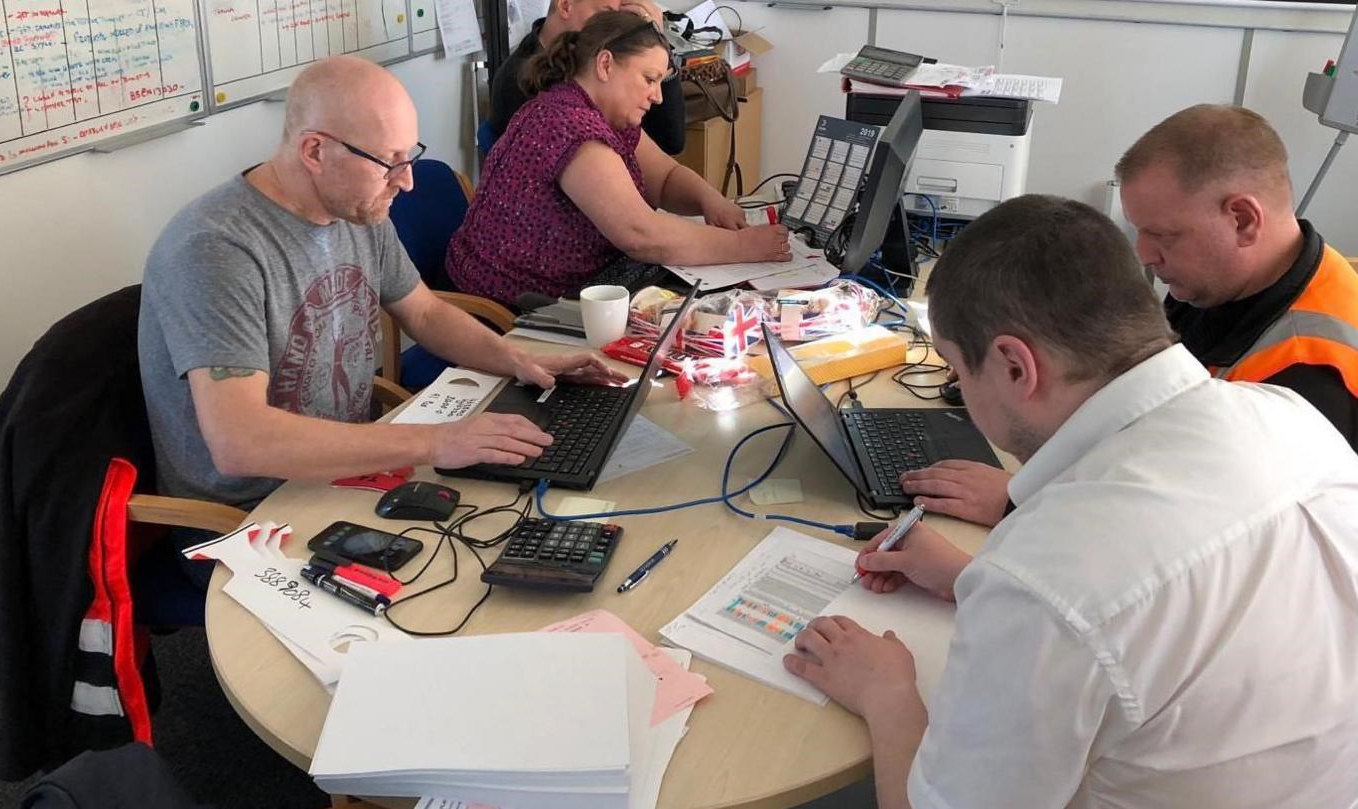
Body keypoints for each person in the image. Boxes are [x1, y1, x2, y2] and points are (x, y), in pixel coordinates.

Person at [784, 194, 1358, 809]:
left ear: (1014, 366)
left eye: (956, 370)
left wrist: (886, 692)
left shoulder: (1048, 581)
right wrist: (972, 577)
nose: (959, 390)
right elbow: (1185, 615)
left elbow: (1087, 600)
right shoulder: (1291, 419)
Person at [138, 56, 625, 510]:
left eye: (409, 156)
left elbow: (425, 312)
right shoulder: (215, 250)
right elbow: (240, 442)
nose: (407, 181)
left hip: (349, 471)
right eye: (389, 161)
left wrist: (525, 364)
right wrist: (437, 441)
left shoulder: (354, 208)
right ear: (315, 150)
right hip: (253, 514)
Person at [903, 104, 1358, 527]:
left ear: (1242, 220)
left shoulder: (1308, 372)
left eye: (1163, 234)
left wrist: (1022, 502)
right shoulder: (1222, 282)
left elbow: (1194, 531)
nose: (1144, 254)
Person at [446, 11, 790, 307]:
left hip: (561, 287)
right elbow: (640, 235)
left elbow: (666, 177)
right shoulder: (569, 126)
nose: (657, 97)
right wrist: (742, 246)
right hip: (511, 306)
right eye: (649, 79)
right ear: (606, 64)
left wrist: (709, 200)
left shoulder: (600, 113)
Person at [489, 0, 687, 155]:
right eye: (605, 14)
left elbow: (670, 142)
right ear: (565, 6)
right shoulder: (519, 80)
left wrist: (654, 47)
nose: (613, 28)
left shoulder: (598, 64)